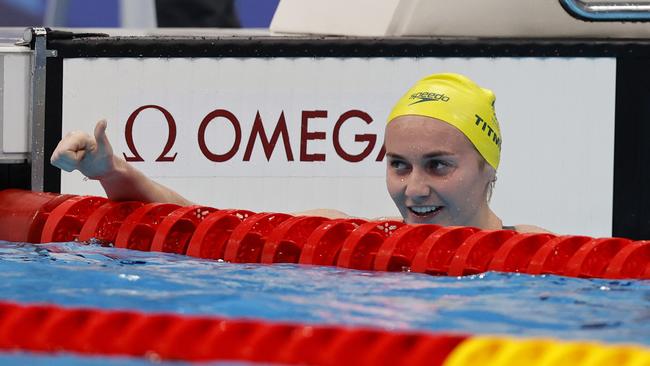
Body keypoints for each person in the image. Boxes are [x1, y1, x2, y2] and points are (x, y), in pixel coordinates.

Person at [51, 73, 547, 233]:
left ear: (488, 166)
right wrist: (109, 171)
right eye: (398, 165)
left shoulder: (539, 260)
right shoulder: (351, 239)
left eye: (438, 165)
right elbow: (204, 226)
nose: (414, 190)